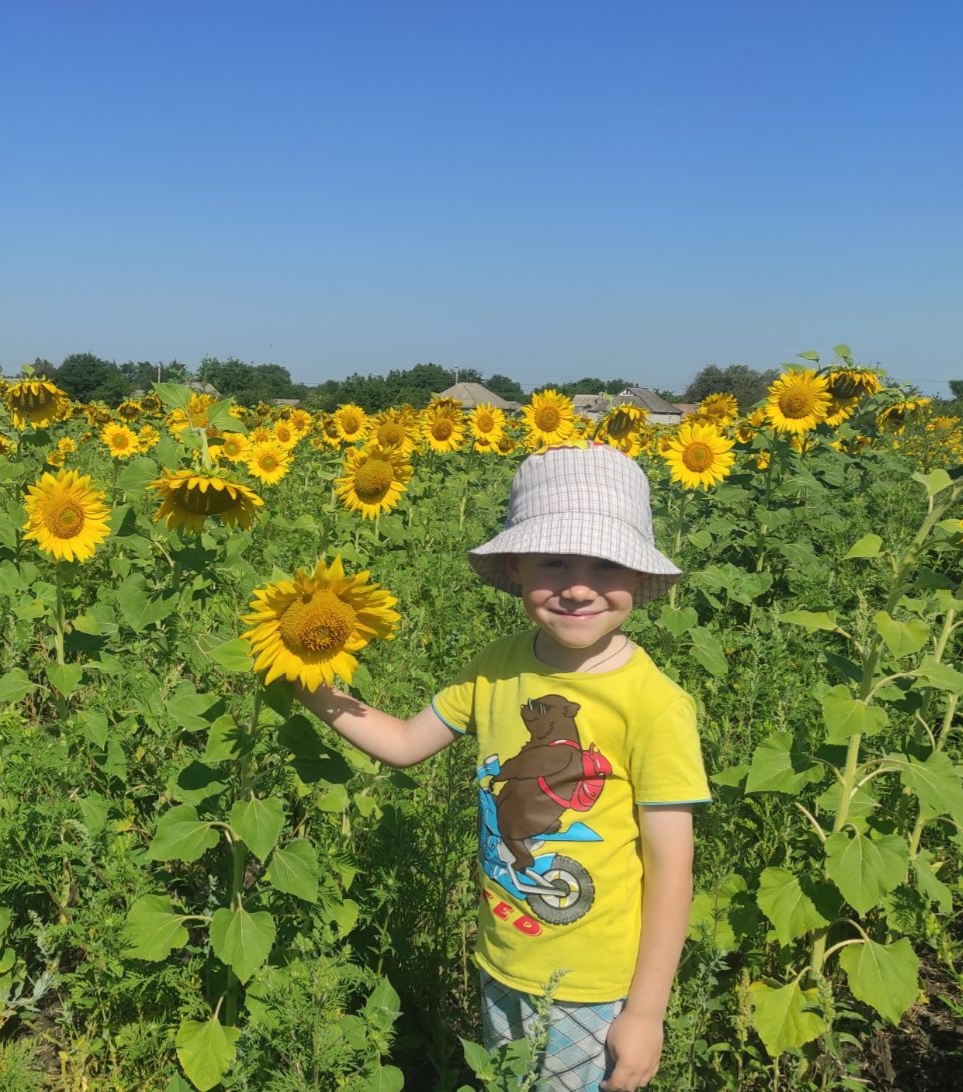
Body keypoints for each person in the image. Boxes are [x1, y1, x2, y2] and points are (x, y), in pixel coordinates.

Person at [297, 442, 710, 1092]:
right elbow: (405, 742)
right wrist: (308, 682)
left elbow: (670, 867)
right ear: (516, 567)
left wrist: (647, 1011)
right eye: (554, 560)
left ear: (636, 574)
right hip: (502, 956)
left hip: (595, 985)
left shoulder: (654, 704)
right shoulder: (498, 665)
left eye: (604, 563)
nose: (577, 586)